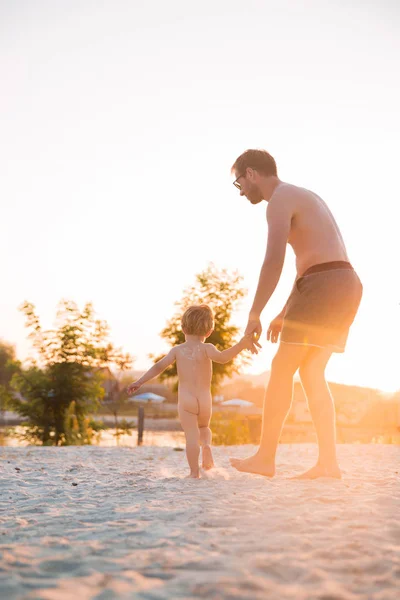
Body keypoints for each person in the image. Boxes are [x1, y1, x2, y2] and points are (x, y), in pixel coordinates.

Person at [229, 149, 363, 479]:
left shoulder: (279, 201)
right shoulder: (302, 195)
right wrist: (284, 311)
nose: (241, 192)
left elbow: (273, 260)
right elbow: (309, 261)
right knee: (312, 372)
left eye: (239, 183)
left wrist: (254, 313)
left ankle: (265, 458)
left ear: (251, 174)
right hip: (343, 283)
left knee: (281, 367)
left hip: (323, 285)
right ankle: (328, 465)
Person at [126, 304, 259, 479]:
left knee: (191, 436)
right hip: (204, 399)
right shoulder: (208, 348)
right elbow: (224, 357)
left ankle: (194, 472)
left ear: (182, 328)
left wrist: (139, 381)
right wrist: (242, 344)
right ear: (209, 331)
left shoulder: (177, 350)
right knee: (204, 427)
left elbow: (159, 366)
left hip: (187, 399)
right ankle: (206, 446)